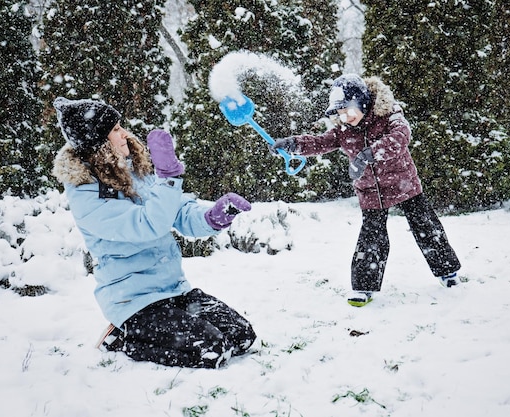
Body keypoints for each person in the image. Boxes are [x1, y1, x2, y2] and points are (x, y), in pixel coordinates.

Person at [51, 97, 256, 368]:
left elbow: (178, 211)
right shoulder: (86, 194)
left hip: (174, 290)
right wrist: (169, 178)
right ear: (97, 141)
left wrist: (212, 216)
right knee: (211, 350)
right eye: (115, 130)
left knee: (241, 336)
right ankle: (124, 338)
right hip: (135, 302)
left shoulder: (136, 172)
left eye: (121, 126)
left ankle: (156, 329)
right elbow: (149, 224)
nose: (124, 134)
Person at [270, 74, 461, 307]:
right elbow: (320, 143)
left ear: (361, 102)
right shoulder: (343, 130)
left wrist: (370, 153)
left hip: (404, 183)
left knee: (426, 226)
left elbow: (401, 136)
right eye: (340, 113)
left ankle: (448, 272)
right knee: (371, 237)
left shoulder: (388, 113)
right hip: (370, 191)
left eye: (348, 111)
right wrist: (293, 144)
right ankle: (363, 286)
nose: (345, 117)